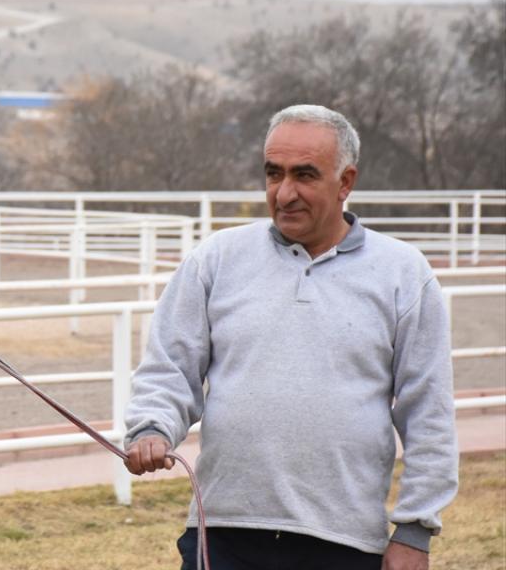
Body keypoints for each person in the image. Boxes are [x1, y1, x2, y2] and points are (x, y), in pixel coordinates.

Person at [123, 105, 458, 570]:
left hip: (345, 543)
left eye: (304, 175)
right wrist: (153, 426)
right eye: (273, 174)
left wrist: (415, 531)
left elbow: (429, 412)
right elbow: (169, 367)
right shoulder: (215, 260)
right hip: (223, 536)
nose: (285, 193)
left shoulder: (404, 273)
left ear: (345, 182)